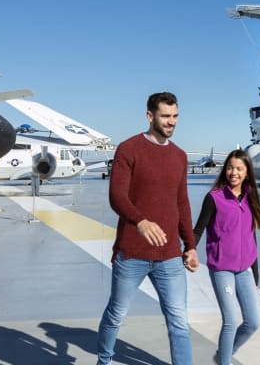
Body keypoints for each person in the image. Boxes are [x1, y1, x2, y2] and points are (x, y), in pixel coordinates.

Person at [96, 92, 199, 365]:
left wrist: (190, 246)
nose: (171, 122)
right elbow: (117, 196)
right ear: (150, 115)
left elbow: (182, 204)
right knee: (116, 314)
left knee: (179, 321)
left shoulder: (179, 156)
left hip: (169, 257)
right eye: (166, 116)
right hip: (132, 253)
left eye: (175, 116)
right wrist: (140, 221)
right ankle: (104, 360)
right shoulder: (129, 149)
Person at [193, 149, 260, 365]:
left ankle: (223, 355)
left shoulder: (250, 196)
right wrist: (189, 252)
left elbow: (252, 237)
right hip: (222, 268)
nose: (234, 172)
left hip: (245, 270)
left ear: (247, 172)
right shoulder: (214, 198)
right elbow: (198, 230)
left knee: (252, 322)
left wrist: (256, 275)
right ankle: (224, 362)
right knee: (231, 321)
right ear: (225, 170)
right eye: (230, 168)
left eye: (239, 169)